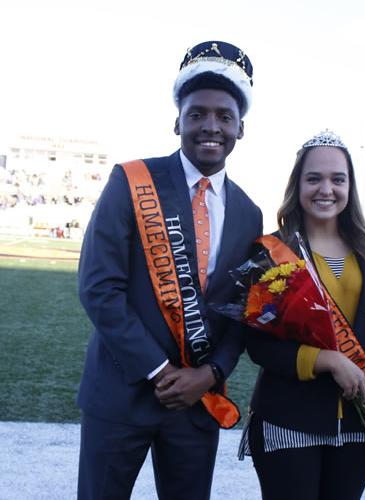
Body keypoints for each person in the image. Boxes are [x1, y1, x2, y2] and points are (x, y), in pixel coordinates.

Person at [77, 41, 262, 500]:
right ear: (177, 120)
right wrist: (160, 370)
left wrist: (211, 373)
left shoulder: (249, 213)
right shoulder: (132, 180)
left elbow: (242, 311)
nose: (210, 127)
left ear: (241, 128)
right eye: (196, 113)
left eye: (224, 115)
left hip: (197, 402)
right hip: (121, 392)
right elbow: (99, 288)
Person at [244, 130, 365, 500]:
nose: (327, 189)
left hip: (360, 424)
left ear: (350, 186)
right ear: (297, 185)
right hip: (288, 419)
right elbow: (257, 345)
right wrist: (324, 360)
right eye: (314, 178)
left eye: (338, 179)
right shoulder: (272, 252)